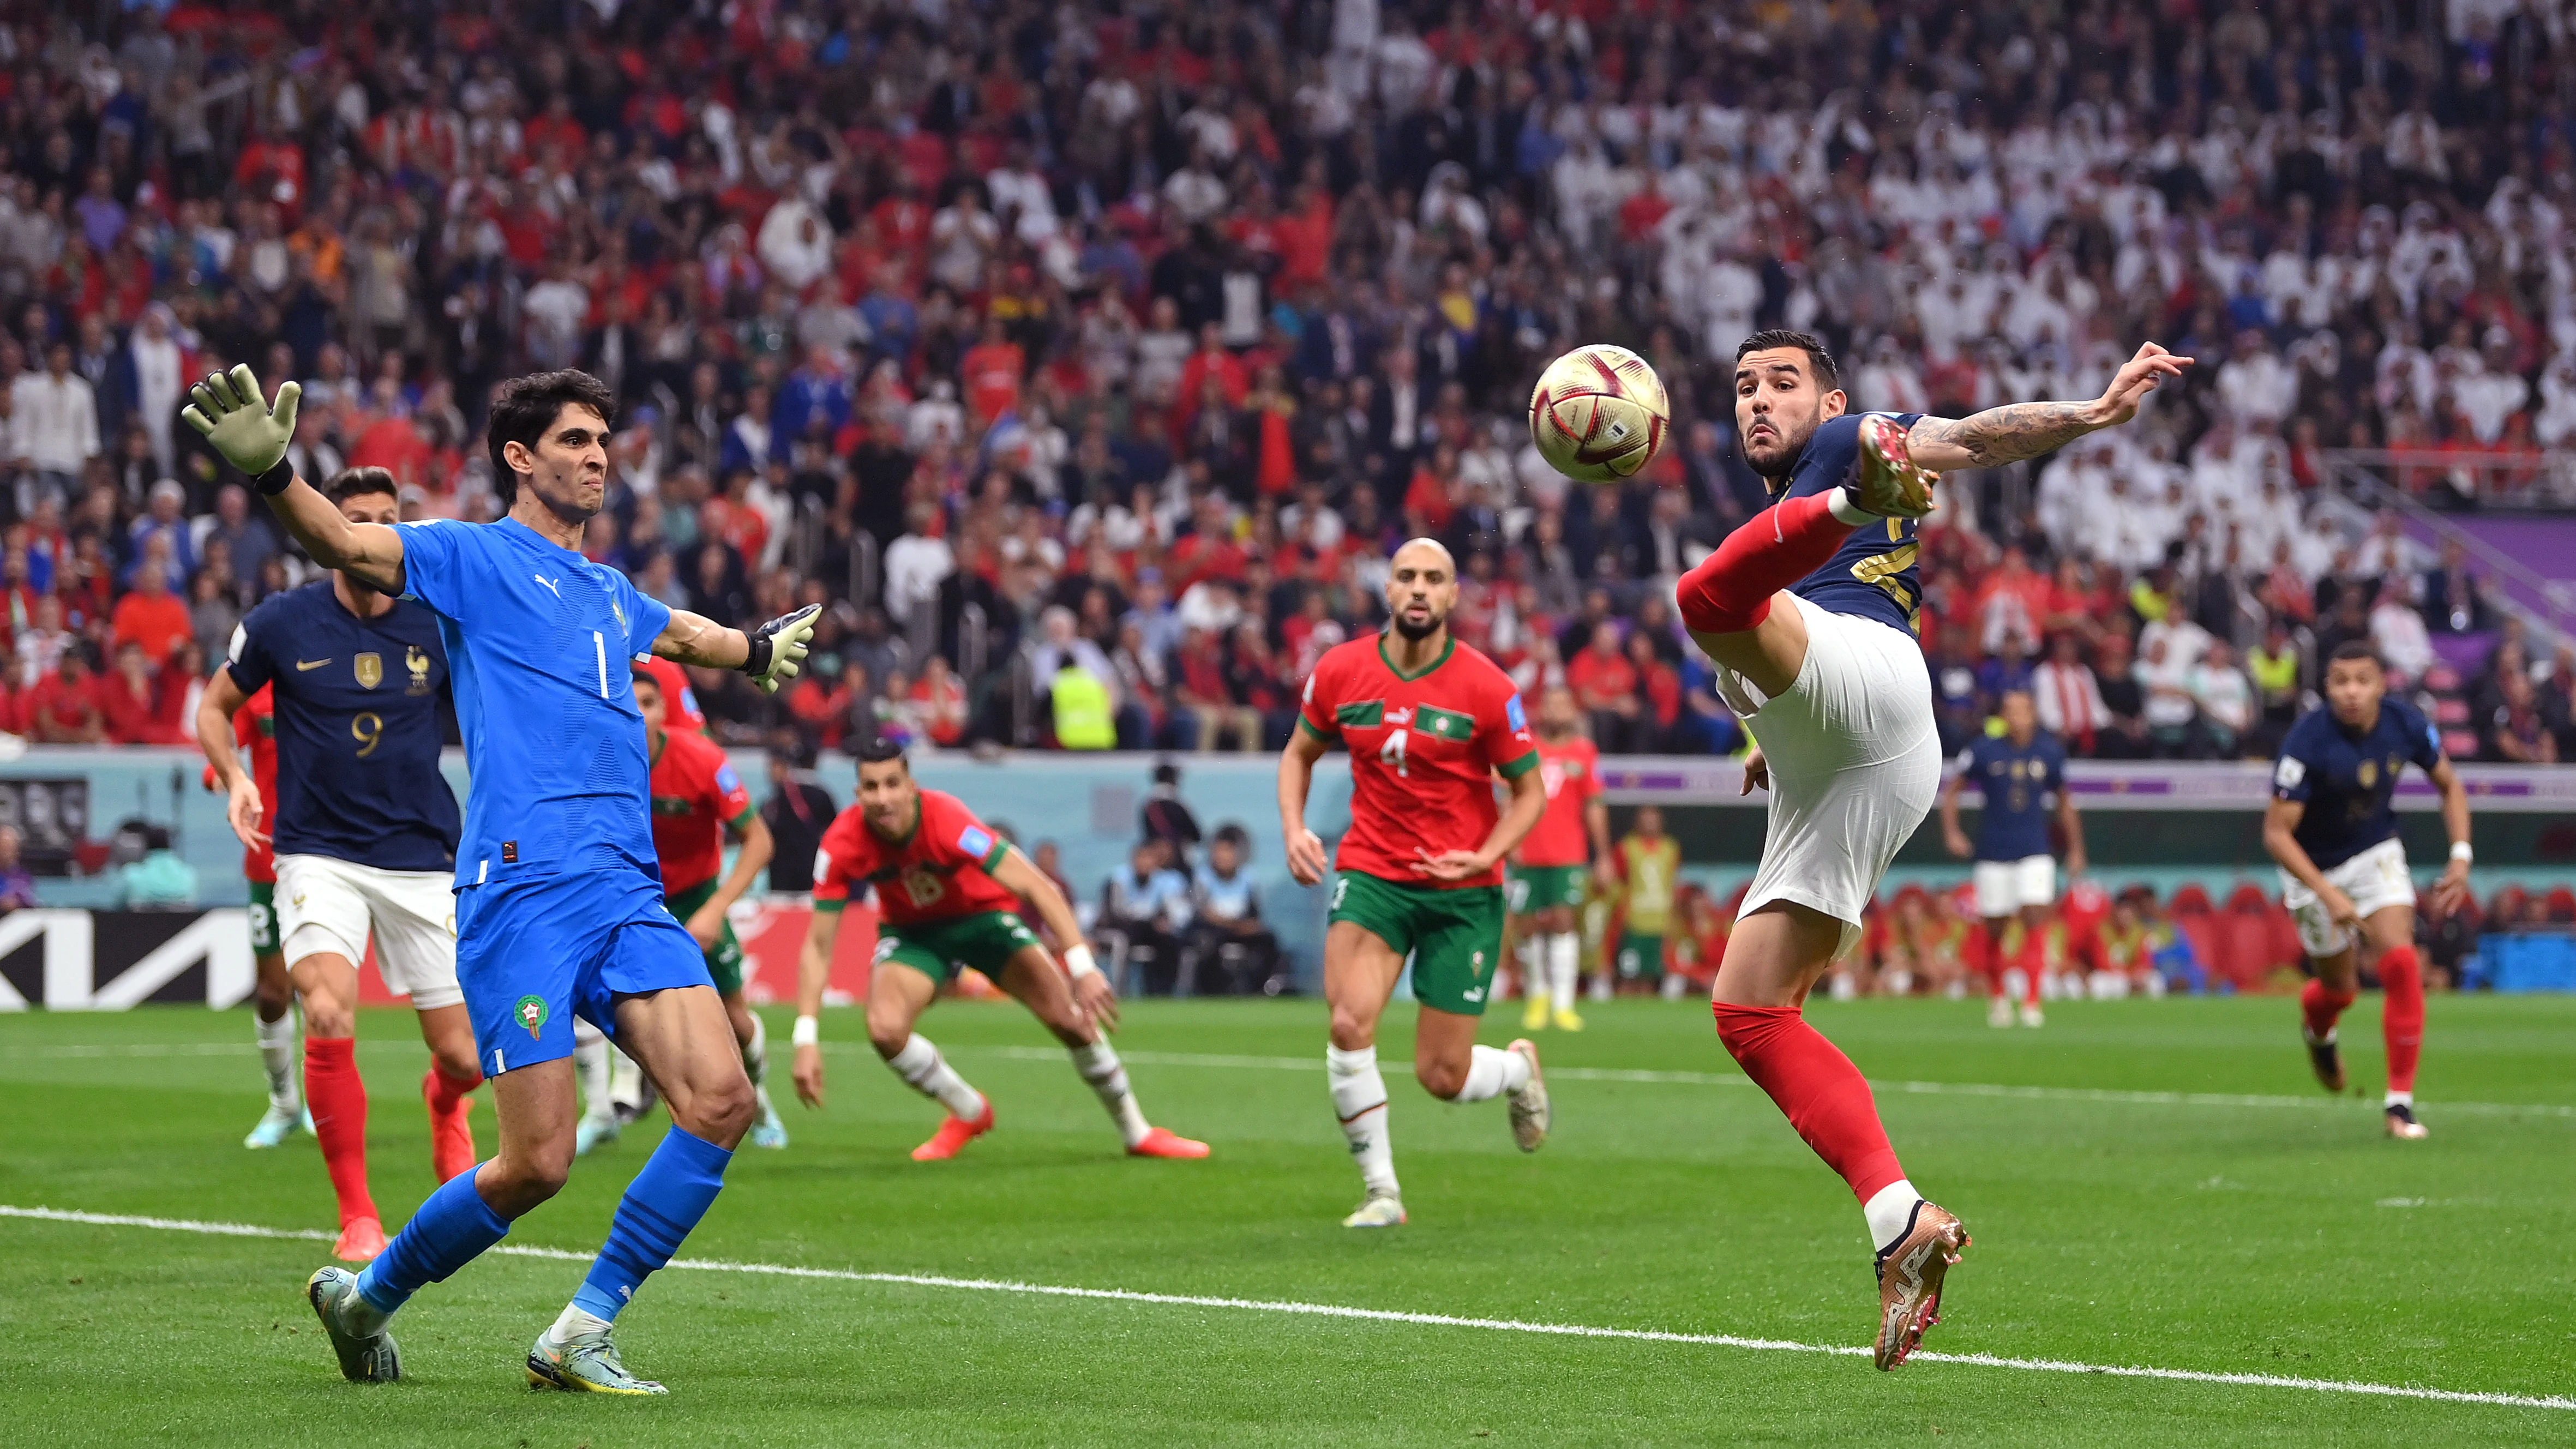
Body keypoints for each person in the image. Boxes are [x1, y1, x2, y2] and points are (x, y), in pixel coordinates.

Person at [187, 364, 817, 1394]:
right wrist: (274, 476)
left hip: (626, 891)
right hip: (521, 891)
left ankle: (583, 1326)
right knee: (537, 1163)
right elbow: (346, 543)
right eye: (574, 440)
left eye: (603, 442)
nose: (598, 457)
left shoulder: (613, 592)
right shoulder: (469, 558)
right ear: (520, 458)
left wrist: (752, 648)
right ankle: (366, 1296)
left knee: (720, 1098)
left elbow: (689, 634)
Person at [1673, 328, 2187, 1368]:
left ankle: (1843, 538)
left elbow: (1969, 439)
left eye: (1781, 382)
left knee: (1699, 598)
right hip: (1855, 757)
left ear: (1830, 402)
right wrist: (1770, 736)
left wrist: (2086, 412)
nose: (1757, 401)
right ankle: (1896, 1218)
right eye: (1741, 388)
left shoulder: (1857, 445)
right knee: (1751, 1012)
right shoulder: (1772, 521)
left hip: (1869, 679)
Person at [194, 466, 475, 1262]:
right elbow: (214, 707)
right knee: (325, 1009)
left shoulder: (436, 622)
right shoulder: (281, 623)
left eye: (387, 520)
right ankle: (358, 1213)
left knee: (463, 1054)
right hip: (318, 851)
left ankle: (444, 1105)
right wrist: (239, 776)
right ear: (325, 531)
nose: (372, 534)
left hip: (422, 854)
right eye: (356, 519)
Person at [1279, 537, 1553, 1229]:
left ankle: (1517, 1070)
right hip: (1374, 873)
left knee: (1443, 1076)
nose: (1420, 588)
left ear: (1454, 594)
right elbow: (1298, 752)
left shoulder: (1488, 687)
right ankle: (1382, 1192)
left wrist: (1482, 852)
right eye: (1407, 576)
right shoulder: (1340, 671)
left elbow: (1529, 793)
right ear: (1388, 589)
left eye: (1434, 578)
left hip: (1463, 893)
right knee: (1347, 1022)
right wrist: (1294, 827)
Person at [786, 738, 1208, 1162]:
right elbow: (819, 945)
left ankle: (1137, 1132)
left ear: (911, 785)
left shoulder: (947, 820)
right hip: (914, 934)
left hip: (984, 921)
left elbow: (1034, 885)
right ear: (858, 794)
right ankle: (970, 1111)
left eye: (892, 783)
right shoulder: (842, 843)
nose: (883, 797)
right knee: (884, 1029)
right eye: (872, 787)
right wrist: (805, 1037)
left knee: (1071, 1021)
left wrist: (1083, 966)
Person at [2263, 641, 2473, 1140]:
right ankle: (2317, 1030)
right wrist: (2328, 894)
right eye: (2340, 681)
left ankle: (2398, 1104)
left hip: (2373, 852)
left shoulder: (2405, 724)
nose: (2351, 691)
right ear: (2327, 687)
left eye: (2362, 680)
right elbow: (2275, 834)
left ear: (2381, 683)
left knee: (2401, 960)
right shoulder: (2307, 741)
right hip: (2310, 867)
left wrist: (2460, 854)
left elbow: (2450, 784)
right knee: (2340, 990)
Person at [573, 669, 788, 1157]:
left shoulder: (701, 759)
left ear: (664, 710)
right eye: (631, 703)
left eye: (649, 703)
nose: (639, 713)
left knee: (733, 1021)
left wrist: (714, 909)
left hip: (694, 899)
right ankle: (600, 1112)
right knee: (581, 1006)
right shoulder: (592, 762)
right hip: (624, 898)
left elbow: (759, 841)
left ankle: (759, 1103)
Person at [1938, 689, 2086, 1029]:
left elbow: (2065, 801)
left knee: (2036, 915)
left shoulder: (2049, 752)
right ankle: (1999, 997)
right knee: (1996, 926)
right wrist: (1952, 832)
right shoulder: (1983, 750)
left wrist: (2077, 849)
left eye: (2022, 710)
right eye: (2009, 710)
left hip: (2036, 849)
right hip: (1994, 850)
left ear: (2033, 714)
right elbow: (1953, 791)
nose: (2015, 716)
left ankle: (2033, 1000)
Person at [201, 680, 305, 1149]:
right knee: (271, 991)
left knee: (327, 993)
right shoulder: (257, 690)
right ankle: (284, 1103)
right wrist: (219, 772)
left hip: (326, 856)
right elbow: (225, 736)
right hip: (267, 859)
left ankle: (323, 1106)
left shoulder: (336, 670)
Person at [1512, 686, 1611, 1032]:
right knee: (1526, 925)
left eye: (1564, 705)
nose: (1557, 711)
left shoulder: (1583, 752)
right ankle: (1537, 995)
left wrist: (1603, 856)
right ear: (1541, 709)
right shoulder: (1524, 748)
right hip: (1527, 851)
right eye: (1551, 704)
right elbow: (1506, 794)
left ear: (1573, 712)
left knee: (1563, 921)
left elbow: (1594, 806)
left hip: (1568, 853)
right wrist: (1507, 839)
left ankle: (1564, 1003)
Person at [1185, 823, 1279, 995]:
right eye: (1219, 852)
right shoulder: (1203, 877)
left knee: (1268, 939)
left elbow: (1254, 912)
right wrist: (1235, 926)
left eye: (1227, 852)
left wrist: (1248, 926)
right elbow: (1204, 913)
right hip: (1213, 930)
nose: (1223, 857)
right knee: (1206, 944)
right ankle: (1207, 991)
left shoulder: (1248, 878)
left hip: (1240, 930)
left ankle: (1261, 988)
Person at [1097, 838, 1192, 994]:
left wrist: (1166, 922)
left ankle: (1163, 991)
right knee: (1126, 938)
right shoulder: (1119, 880)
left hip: (1149, 928)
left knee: (1169, 941)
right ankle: (1120, 991)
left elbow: (1171, 911)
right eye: (1141, 858)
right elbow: (1115, 913)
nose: (1144, 863)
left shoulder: (1163, 882)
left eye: (1149, 859)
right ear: (1133, 860)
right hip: (1123, 927)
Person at [1611, 804, 1681, 996]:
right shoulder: (1626, 848)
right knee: (1628, 976)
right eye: (1646, 820)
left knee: (1651, 978)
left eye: (1653, 820)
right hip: (1634, 922)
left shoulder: (1670, 848)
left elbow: (1672, 883)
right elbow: (1618, 882)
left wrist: (1672, 920)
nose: (1650, 825)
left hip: (1659, 923)